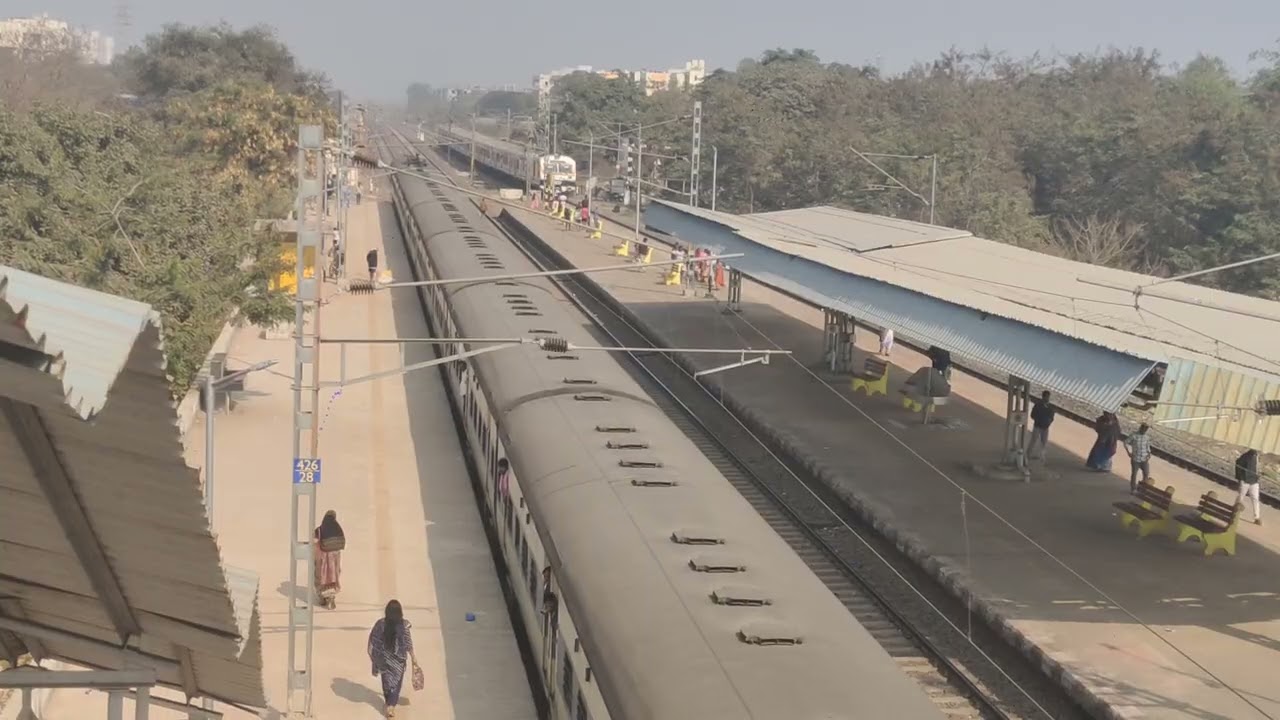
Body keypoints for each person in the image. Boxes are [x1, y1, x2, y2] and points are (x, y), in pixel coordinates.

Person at [368, 600, 419, 718]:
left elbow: (374, 640)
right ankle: (391, 706)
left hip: (384, 660)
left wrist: (374, 656)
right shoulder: (403, 626)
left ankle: (388, 702)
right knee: (396, 684)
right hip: (399, 661)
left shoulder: (380, 624)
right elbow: (408, 643)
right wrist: (413, 657)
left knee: (386, 682)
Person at [314, 510, 344, 609]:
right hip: (334, 562)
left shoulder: (319, 530)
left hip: (322, 561)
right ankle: (331, 598)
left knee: (321, 577)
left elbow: (314, 542)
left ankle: (322, 599)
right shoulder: (337, 528)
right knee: (333, 578)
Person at [1236, 448, 1262, 525]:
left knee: (1255, 499)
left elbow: (1256, 468)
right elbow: (1238, 464)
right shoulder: (1245, 457)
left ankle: (1257, 517)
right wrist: (1240, 477)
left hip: (1254, 481)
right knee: (1241, 497)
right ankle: (1235, 511)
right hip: (1245, 480)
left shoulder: (1256, 457)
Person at [1124, 423, 1153, 493]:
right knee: (1134, 474)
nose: (1144, 430)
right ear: (1140, 428)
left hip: (1144, 459)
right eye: (1143, 429)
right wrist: (1128, 452)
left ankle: (1142, 488)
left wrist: (1149, 454)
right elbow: (1125, 442)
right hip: (1135, 459)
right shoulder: (1134, 436)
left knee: (1146, 473)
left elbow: (1147, 446)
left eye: (1145, 429)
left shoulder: (1146, 437)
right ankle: (1133, 489)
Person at [1027, 391, 1055, 461]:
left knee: (1043, 442)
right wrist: (1039, 420)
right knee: (1033, 441)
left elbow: (1052, 417)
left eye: (1048, 397)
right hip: (1038, 426)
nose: (1047, 398)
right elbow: (1032, 415)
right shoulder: (1038, 405)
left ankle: (1041, 456)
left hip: (1045, 427)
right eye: (1046, 397)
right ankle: (1028, 454)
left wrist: (1049, 422)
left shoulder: (1050, 407)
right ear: (1043, 397)